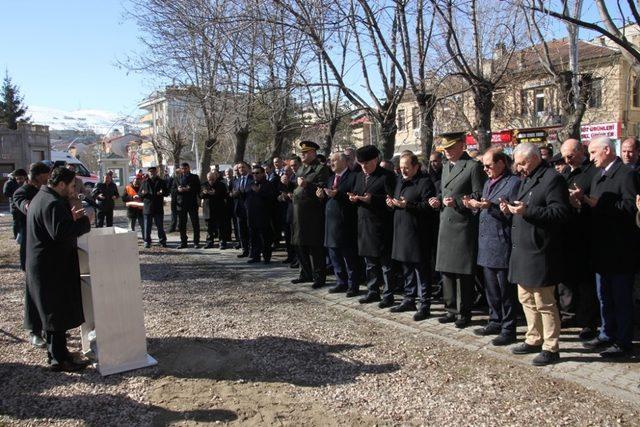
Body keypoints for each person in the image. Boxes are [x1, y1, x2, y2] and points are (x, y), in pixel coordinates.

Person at [503, 142, 569, 366]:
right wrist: (510, 209)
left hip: (541, 251)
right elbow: (523, 205)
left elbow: (559, 212)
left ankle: (551, 347)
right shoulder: (527, 178)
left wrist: (527, 210)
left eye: (521, 163)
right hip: (523, 250)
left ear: (532, 159)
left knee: (544, 301)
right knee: (526, 298)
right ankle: (533, 337)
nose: (518, 168)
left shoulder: (552, 179)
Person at [26, 167, 92, 372]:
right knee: (55, 312)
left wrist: (69, 218)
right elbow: (61, 233)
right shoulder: (52, 203)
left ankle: (59, 353)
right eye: (72, 185)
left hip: (45, 265)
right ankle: (59, 359)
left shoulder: (42, 197)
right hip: (51, 268)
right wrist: (83, 221)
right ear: (61, 184)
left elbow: (54, 227)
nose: (74, 190)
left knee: (53, 312)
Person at [578, 137, 640, 357]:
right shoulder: (598, 175)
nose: (591, 157)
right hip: (601, 248)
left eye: (594, 152)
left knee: (620, 298)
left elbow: (630, 207)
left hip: (620, 249)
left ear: (607, 150)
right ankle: (607, 333)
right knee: (603, 296)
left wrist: (599, 203)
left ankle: (623, 341)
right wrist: (583, 201)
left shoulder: (627, 174)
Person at [428, 132, 486, 328]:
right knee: (446, 270)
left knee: (462, 273)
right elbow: (443, 191)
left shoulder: (473, 166)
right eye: (445, 149)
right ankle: (450, 308)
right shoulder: (445, 167)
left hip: (463, 224)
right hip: (446, 223)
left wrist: (459, 203)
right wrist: (436, 201)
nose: (447, 152)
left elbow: (479, 194)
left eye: (451, 148)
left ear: (462, 145)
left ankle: (464, 312)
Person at [464, 149, 519, 345]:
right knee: (491, 289)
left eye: (488, 165)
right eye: (483, 166)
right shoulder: (488, 183)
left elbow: (513, 214)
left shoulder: (513, 183)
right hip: (486, 244)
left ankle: (509, 327)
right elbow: (484, 209)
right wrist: (474, 206)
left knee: (505, 290)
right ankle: (495, 320)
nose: (485, 169)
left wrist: (491, 208)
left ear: (501, 163)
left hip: (502, 242)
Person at [386, 151, 436, 320]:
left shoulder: (425, 182)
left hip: (418, 233)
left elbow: (428, 207)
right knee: (406, 268)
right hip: (401, 231)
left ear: (416, 167)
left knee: (421, 271)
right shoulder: (400, 181)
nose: (403, 171)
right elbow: (397, 200)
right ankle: (409, 298)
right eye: (401, 168)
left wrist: (409, 205)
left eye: (406, 168)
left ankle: (424, 304)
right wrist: (392, 204)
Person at [559, 139, 600, 339]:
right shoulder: (565, 173)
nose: (567, 159)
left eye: (571, 155)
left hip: (585, 233)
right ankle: (568, 313)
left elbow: (596, 202)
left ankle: (588, 321)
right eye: (565, 156)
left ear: (581, 152)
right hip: (566, 233)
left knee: (585, 281)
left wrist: (581, 200)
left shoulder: (591, 172)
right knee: (566, 278)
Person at [350, 145, 397, 307]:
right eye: (361, 164)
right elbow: (356, 191)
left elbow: (392, 201)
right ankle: (373, 291)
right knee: (370, 263)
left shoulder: (387, 176)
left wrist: (373, 199)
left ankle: (389, 294)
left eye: (367, 163)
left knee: (386, 264)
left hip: (381, 225)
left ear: (375, 160)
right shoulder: (358, 176)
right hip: (363, 225)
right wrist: (354, 198)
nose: (364, 167)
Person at [12, 162, 51, 348]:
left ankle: (48, 327)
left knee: (49, 290)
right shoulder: (22, 192)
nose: (49, 177)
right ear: (39, 175)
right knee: (33, 289)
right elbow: (28, 208)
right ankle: (34, 330)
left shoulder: (47, 191)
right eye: (47, 174)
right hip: (31, 247)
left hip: (49, 247)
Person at [316, 152, 361, 297]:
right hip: (331, 225)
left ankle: (353, 285)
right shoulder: (330, 179)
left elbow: (354, 198)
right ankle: (341, 282)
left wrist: (338, 195)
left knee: (349, 258)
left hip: (346, 224)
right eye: (330, 161)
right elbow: (330, 198)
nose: (331, 163)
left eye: (334, 160)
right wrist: (322, 196)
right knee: (334, 256)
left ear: (343, 161)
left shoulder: (354, 177)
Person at [291, 141, 331, 288]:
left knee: (315, 247)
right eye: (302, 152)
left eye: (306, 152)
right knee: (300, 245)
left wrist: (308, 185)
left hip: (312, 214)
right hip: (298, 212)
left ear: (313, 152)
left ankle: (319, 277)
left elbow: (323, 188)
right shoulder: (301, 168)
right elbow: (296, 187)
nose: (303, 154)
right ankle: (305, 273)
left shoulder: (320, 169)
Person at [245, 166, 276, 263]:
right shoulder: (250, 184)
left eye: (257, 173)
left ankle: (266, 257)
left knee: (265, 238)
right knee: (254, 237)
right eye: (253, 173)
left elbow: (271, 198)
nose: (255, 175)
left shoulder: (268, 184)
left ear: (263, 174)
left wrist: (259, 192)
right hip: (252, 215)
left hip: (264, 215)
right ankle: (255, 256)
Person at [139, 166, 168, 248]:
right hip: (148, 207)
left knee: (160, 226)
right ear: (148, 173)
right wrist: (143, 194)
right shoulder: (144, 182)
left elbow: (166, 192)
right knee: (147, 226)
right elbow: (140, 194)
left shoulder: (161, 181)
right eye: (150, 172)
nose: (152, 173)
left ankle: (162, 241)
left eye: (153, 171)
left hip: (158, 207)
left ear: (156, 172)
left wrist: (162, 193)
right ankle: (147, 241)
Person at [201, 170, 230, 249]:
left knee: (221, 227)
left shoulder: (221, 185)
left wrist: (215, 193)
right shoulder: (204, 185)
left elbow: (225, 195)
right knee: (209, 228)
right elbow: (200, 195)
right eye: (209, 179)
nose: (211, 181)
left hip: (219, 209)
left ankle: (222, 242)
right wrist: (205, 193)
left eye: (212, 179)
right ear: (207, 178)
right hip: (208, 209)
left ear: (216, 178)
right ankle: (209, 242)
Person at [176, 162, 201, 249]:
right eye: (182, 169)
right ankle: (183, 242)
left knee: (195, 223)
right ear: (180, 169)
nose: (184, 170)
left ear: (189, 168)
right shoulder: (177, 178)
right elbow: (172, 189)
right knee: (182, 224)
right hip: (181, 204)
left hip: (192, 203)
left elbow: (198, 189)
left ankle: (196, 242)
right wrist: (178, 189)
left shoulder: (194, 177)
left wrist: (189, 189)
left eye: (186, 168)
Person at [230, 162, 253, 257]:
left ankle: (253, 251)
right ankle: (245, 250)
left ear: (248, 168)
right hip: (239, 209)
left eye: (243, 167)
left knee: (250, 231)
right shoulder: (236, 180)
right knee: (242, 231)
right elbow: (232, 193)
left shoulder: (252, 179)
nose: (241, 169)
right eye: (239, 168)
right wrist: (233, 194)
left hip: (250, 209)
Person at [4, 169, 28, 239]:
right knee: (16, 222)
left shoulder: (27, 182)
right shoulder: (10, 182)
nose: (19, 180)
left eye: (21, 178)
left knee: (23, 222)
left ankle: (22, 235)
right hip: (14, 206)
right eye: (18, 178)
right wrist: (15, 195)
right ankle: (16, 235)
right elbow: (6, 193)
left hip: (23, 205)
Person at [166, 168, 180, 232]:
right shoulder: (172, 179)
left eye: (178, 172)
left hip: (181, 199)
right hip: (174, 198)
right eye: (176, 172)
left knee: (180, 214)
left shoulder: (181, 179)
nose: (177, 174)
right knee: (174, 213)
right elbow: (168, 188)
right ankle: (173, 226)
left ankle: (180, 226)